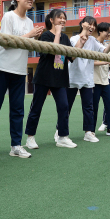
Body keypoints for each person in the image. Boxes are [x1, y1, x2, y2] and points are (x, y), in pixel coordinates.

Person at [0, 0, 44, 159]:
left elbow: (27, 47)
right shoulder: (9, 17)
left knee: (18, 110)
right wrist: (30, 34)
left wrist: (35, 38)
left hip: (19, 71)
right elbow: (6, 43)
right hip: (1, 68)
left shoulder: (29, 22)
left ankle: (16, 145)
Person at [24, 9, 77, 149]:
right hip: (44, 77)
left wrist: (81, 44)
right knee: (36, 107)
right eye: (59, 18)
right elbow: (52, 51)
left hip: (59, 78)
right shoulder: (45, 35)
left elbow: (72, 57)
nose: (63, 20)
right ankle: (30, 137)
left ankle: (62, 137)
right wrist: (58, 33)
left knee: (64, 106)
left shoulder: (65, 38)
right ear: (52, 20)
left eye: (64, 18)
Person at [67, 16, 110, 142]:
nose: (92, 27)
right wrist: (82, 39)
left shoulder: (93, 40)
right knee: (67, 107)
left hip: (87, 79)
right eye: (90, 24)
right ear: (82, 24)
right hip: (73, 77)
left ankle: (88, 132)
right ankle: (60, 131)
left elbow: (104, 52)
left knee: (88, 107)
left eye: (94, 25)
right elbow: (73, 55)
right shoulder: (74, 38)